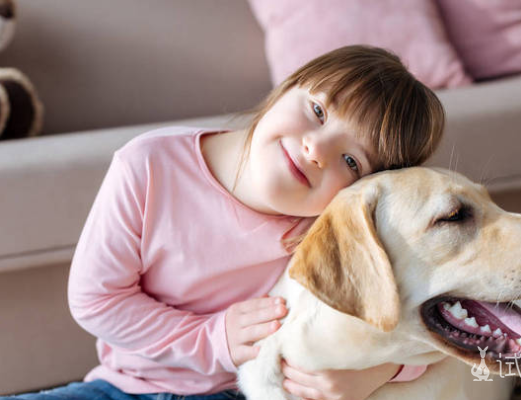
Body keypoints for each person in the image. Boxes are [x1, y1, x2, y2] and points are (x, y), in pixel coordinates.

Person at [6, 45, 445, 400]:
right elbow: (96, 299)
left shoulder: (334, 228)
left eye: (351, 160)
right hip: (124, 387)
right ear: (286, 87)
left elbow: (428, 325)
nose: (316, 150)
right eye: (318, 111)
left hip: (251, 391)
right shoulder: (150, 164)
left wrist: (377, 372)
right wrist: (213, 339)